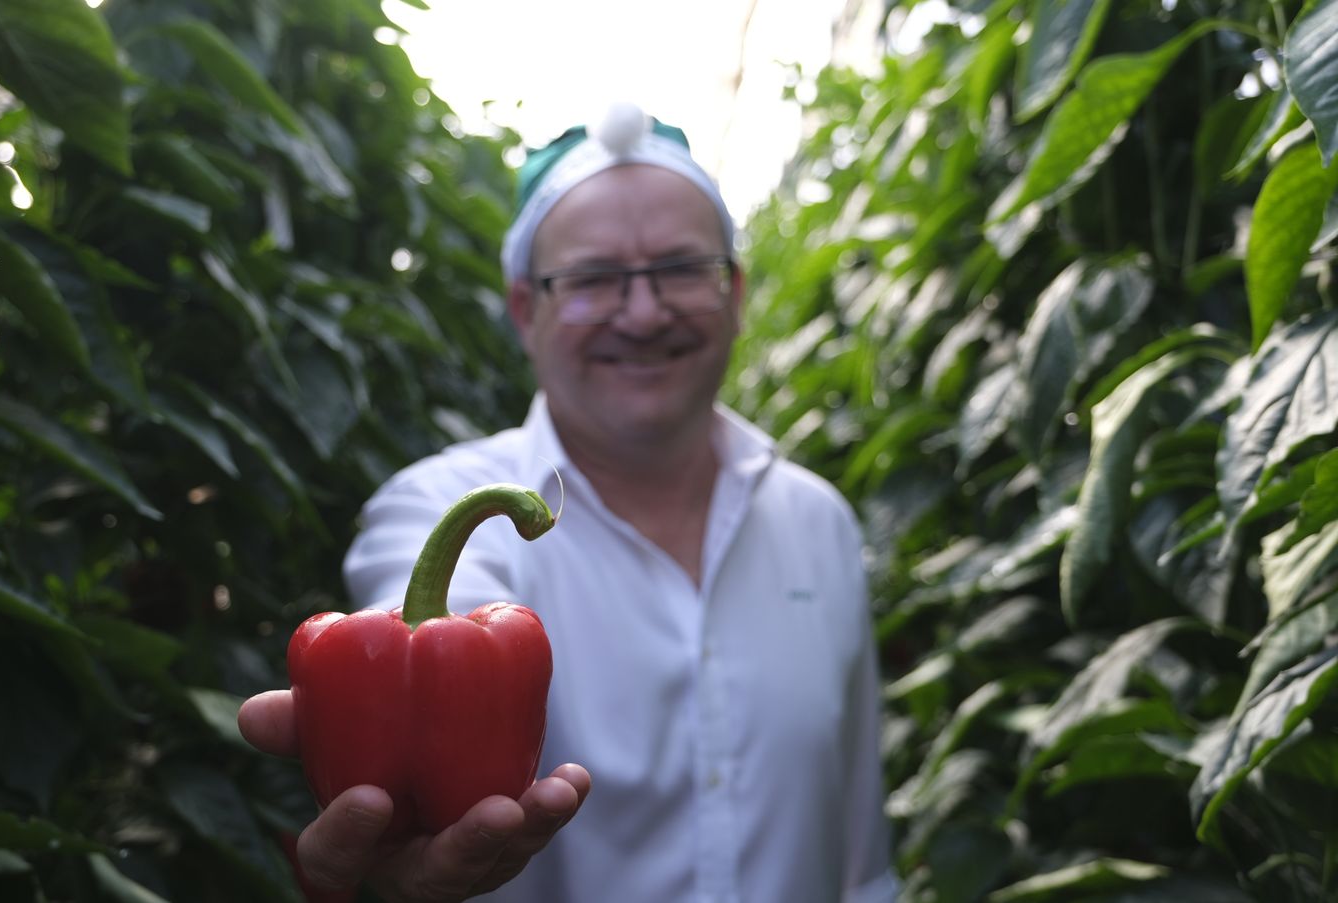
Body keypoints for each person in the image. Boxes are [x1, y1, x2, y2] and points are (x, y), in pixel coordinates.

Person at [240, 102, 897, 902]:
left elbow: (857, 832)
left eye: (683, 268)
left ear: (735, 293)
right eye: (592, 278)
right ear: (526, 310)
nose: (645, 311)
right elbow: (421, 629)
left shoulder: (818, 520)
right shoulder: (434, 501)